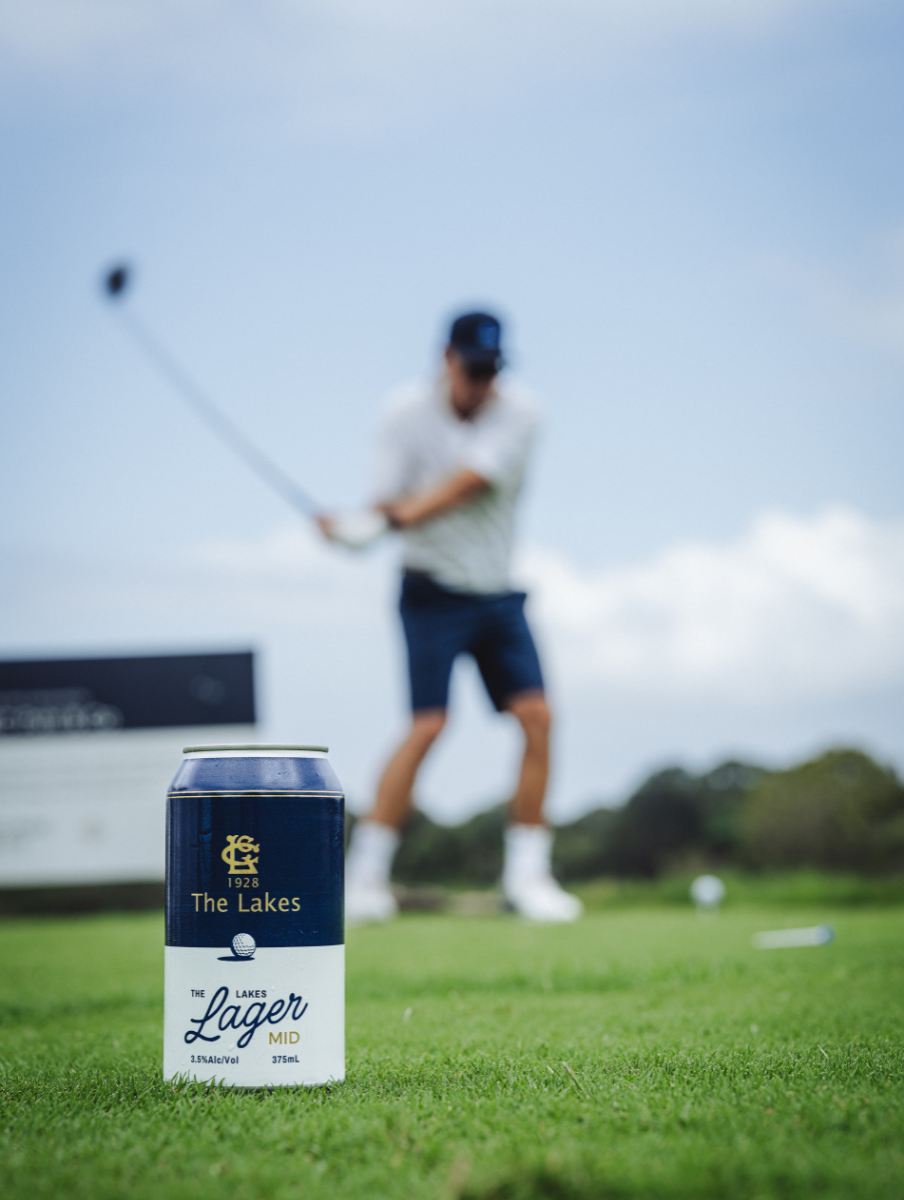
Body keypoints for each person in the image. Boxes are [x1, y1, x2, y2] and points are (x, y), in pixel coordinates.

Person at [319, 312, 582, 924]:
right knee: (428, 725)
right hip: (429, 591)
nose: (481, 383)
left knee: (538, 718)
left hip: (496, 592)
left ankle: (527, 878)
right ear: (447, 359)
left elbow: (466, 484)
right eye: (472, 370)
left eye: (491, 372)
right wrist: (362, 528)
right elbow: (385, 500)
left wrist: (383, 523)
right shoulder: (403, 413)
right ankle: (364, 878)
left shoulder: (523, 414)